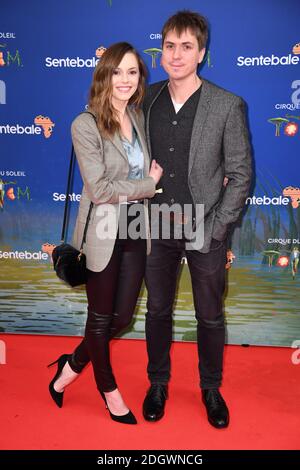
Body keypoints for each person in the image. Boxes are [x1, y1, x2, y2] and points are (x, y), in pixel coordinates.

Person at [142, 11, 252, 428]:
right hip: (153, 225)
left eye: (186, 46)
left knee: (209, 314)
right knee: (157, 310)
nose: (176, 54)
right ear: (162, 49)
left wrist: (218, 227)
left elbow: (240, 175)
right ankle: (158, 383)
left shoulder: (226, 105)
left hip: (204, 225)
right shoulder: (145, 99)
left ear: (201, 53)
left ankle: (210, 388)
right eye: (170, 45)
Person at [48, 42, 163, 425]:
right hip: (102, 227)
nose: (125, 80)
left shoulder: (139, 116)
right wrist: (148, 184)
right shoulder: (86, 124)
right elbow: (99, 190)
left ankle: (72, 363)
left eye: (133, 72)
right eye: (118, 72)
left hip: (134, 225)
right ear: (104, 75)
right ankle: (108, 390)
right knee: (99, 319)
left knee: (123, 316)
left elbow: (128, 178)